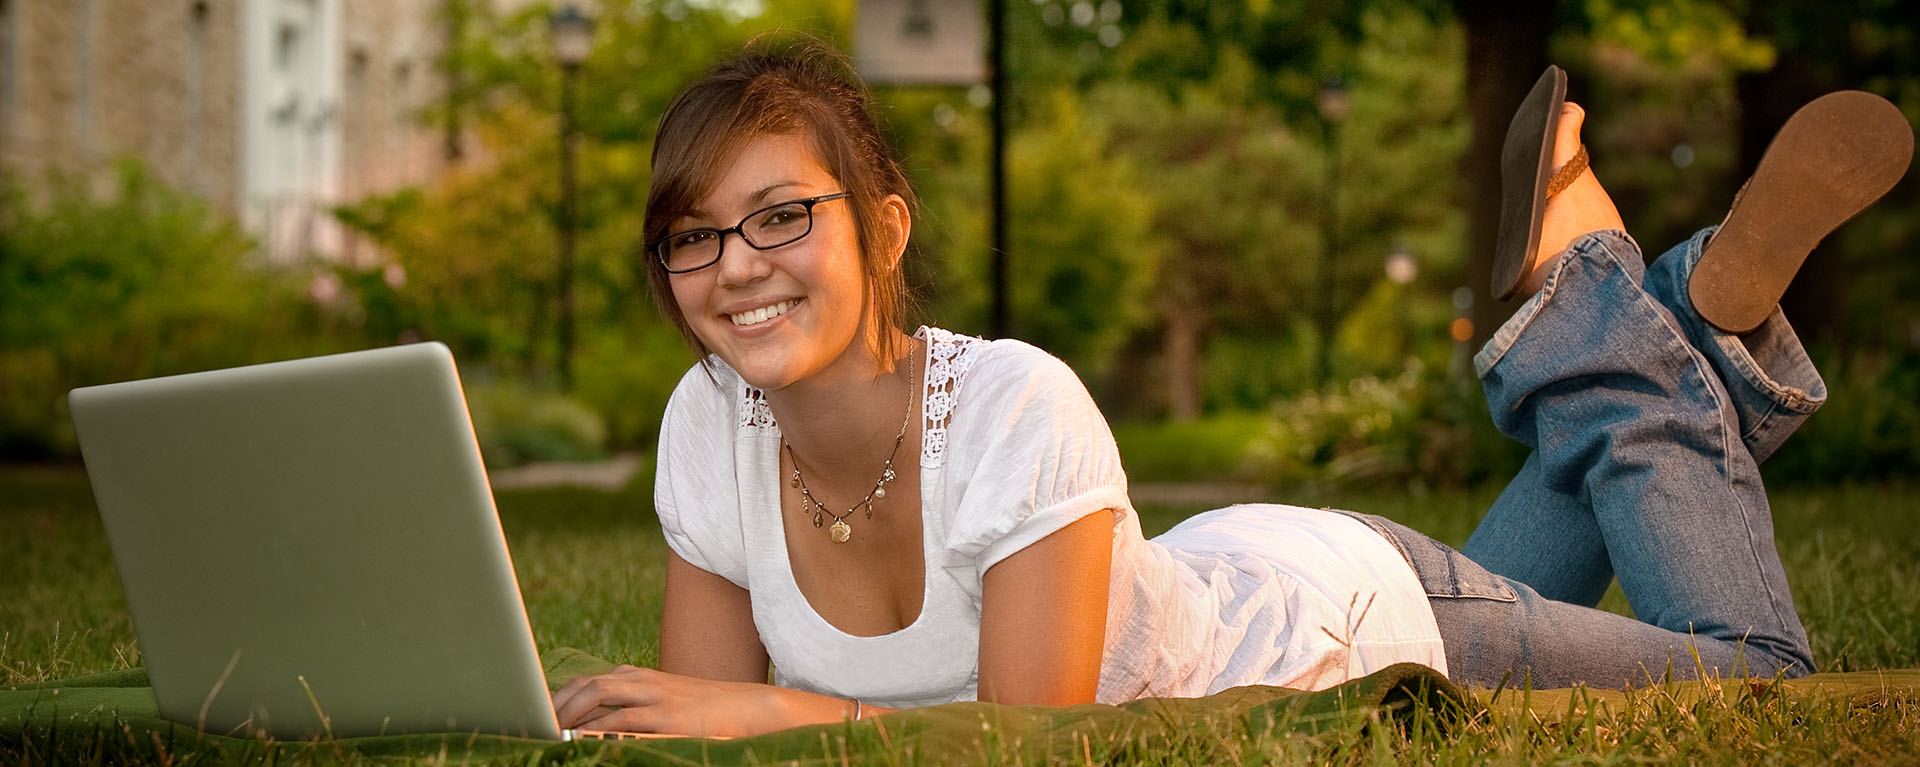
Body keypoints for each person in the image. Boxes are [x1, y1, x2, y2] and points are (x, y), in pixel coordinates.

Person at [549, 41, 1914, 738]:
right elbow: (703, 721)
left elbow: (1035, 746)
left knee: (1759, 680)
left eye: (784, 215)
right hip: (1223, 575)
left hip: (1346, 629)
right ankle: (1692, 312)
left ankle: (1612, 297)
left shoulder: (1017, 406)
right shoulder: (705, 425)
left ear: (885, 230)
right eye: (695, 234)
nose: (737, 267)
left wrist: (779, 711)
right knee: (1578, 490)